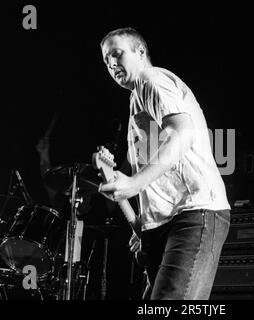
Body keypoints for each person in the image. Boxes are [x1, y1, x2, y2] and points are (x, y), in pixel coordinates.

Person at [99, 27, 231, 300]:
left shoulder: (152, 80)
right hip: (167, 223)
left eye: (116, 54)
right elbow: (157, 182)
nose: (111, 63)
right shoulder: (136, 100)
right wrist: (142, 225)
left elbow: (182, 132)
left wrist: (134, 182)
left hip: (195, 211)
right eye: (105, 60)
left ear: (140, 52)